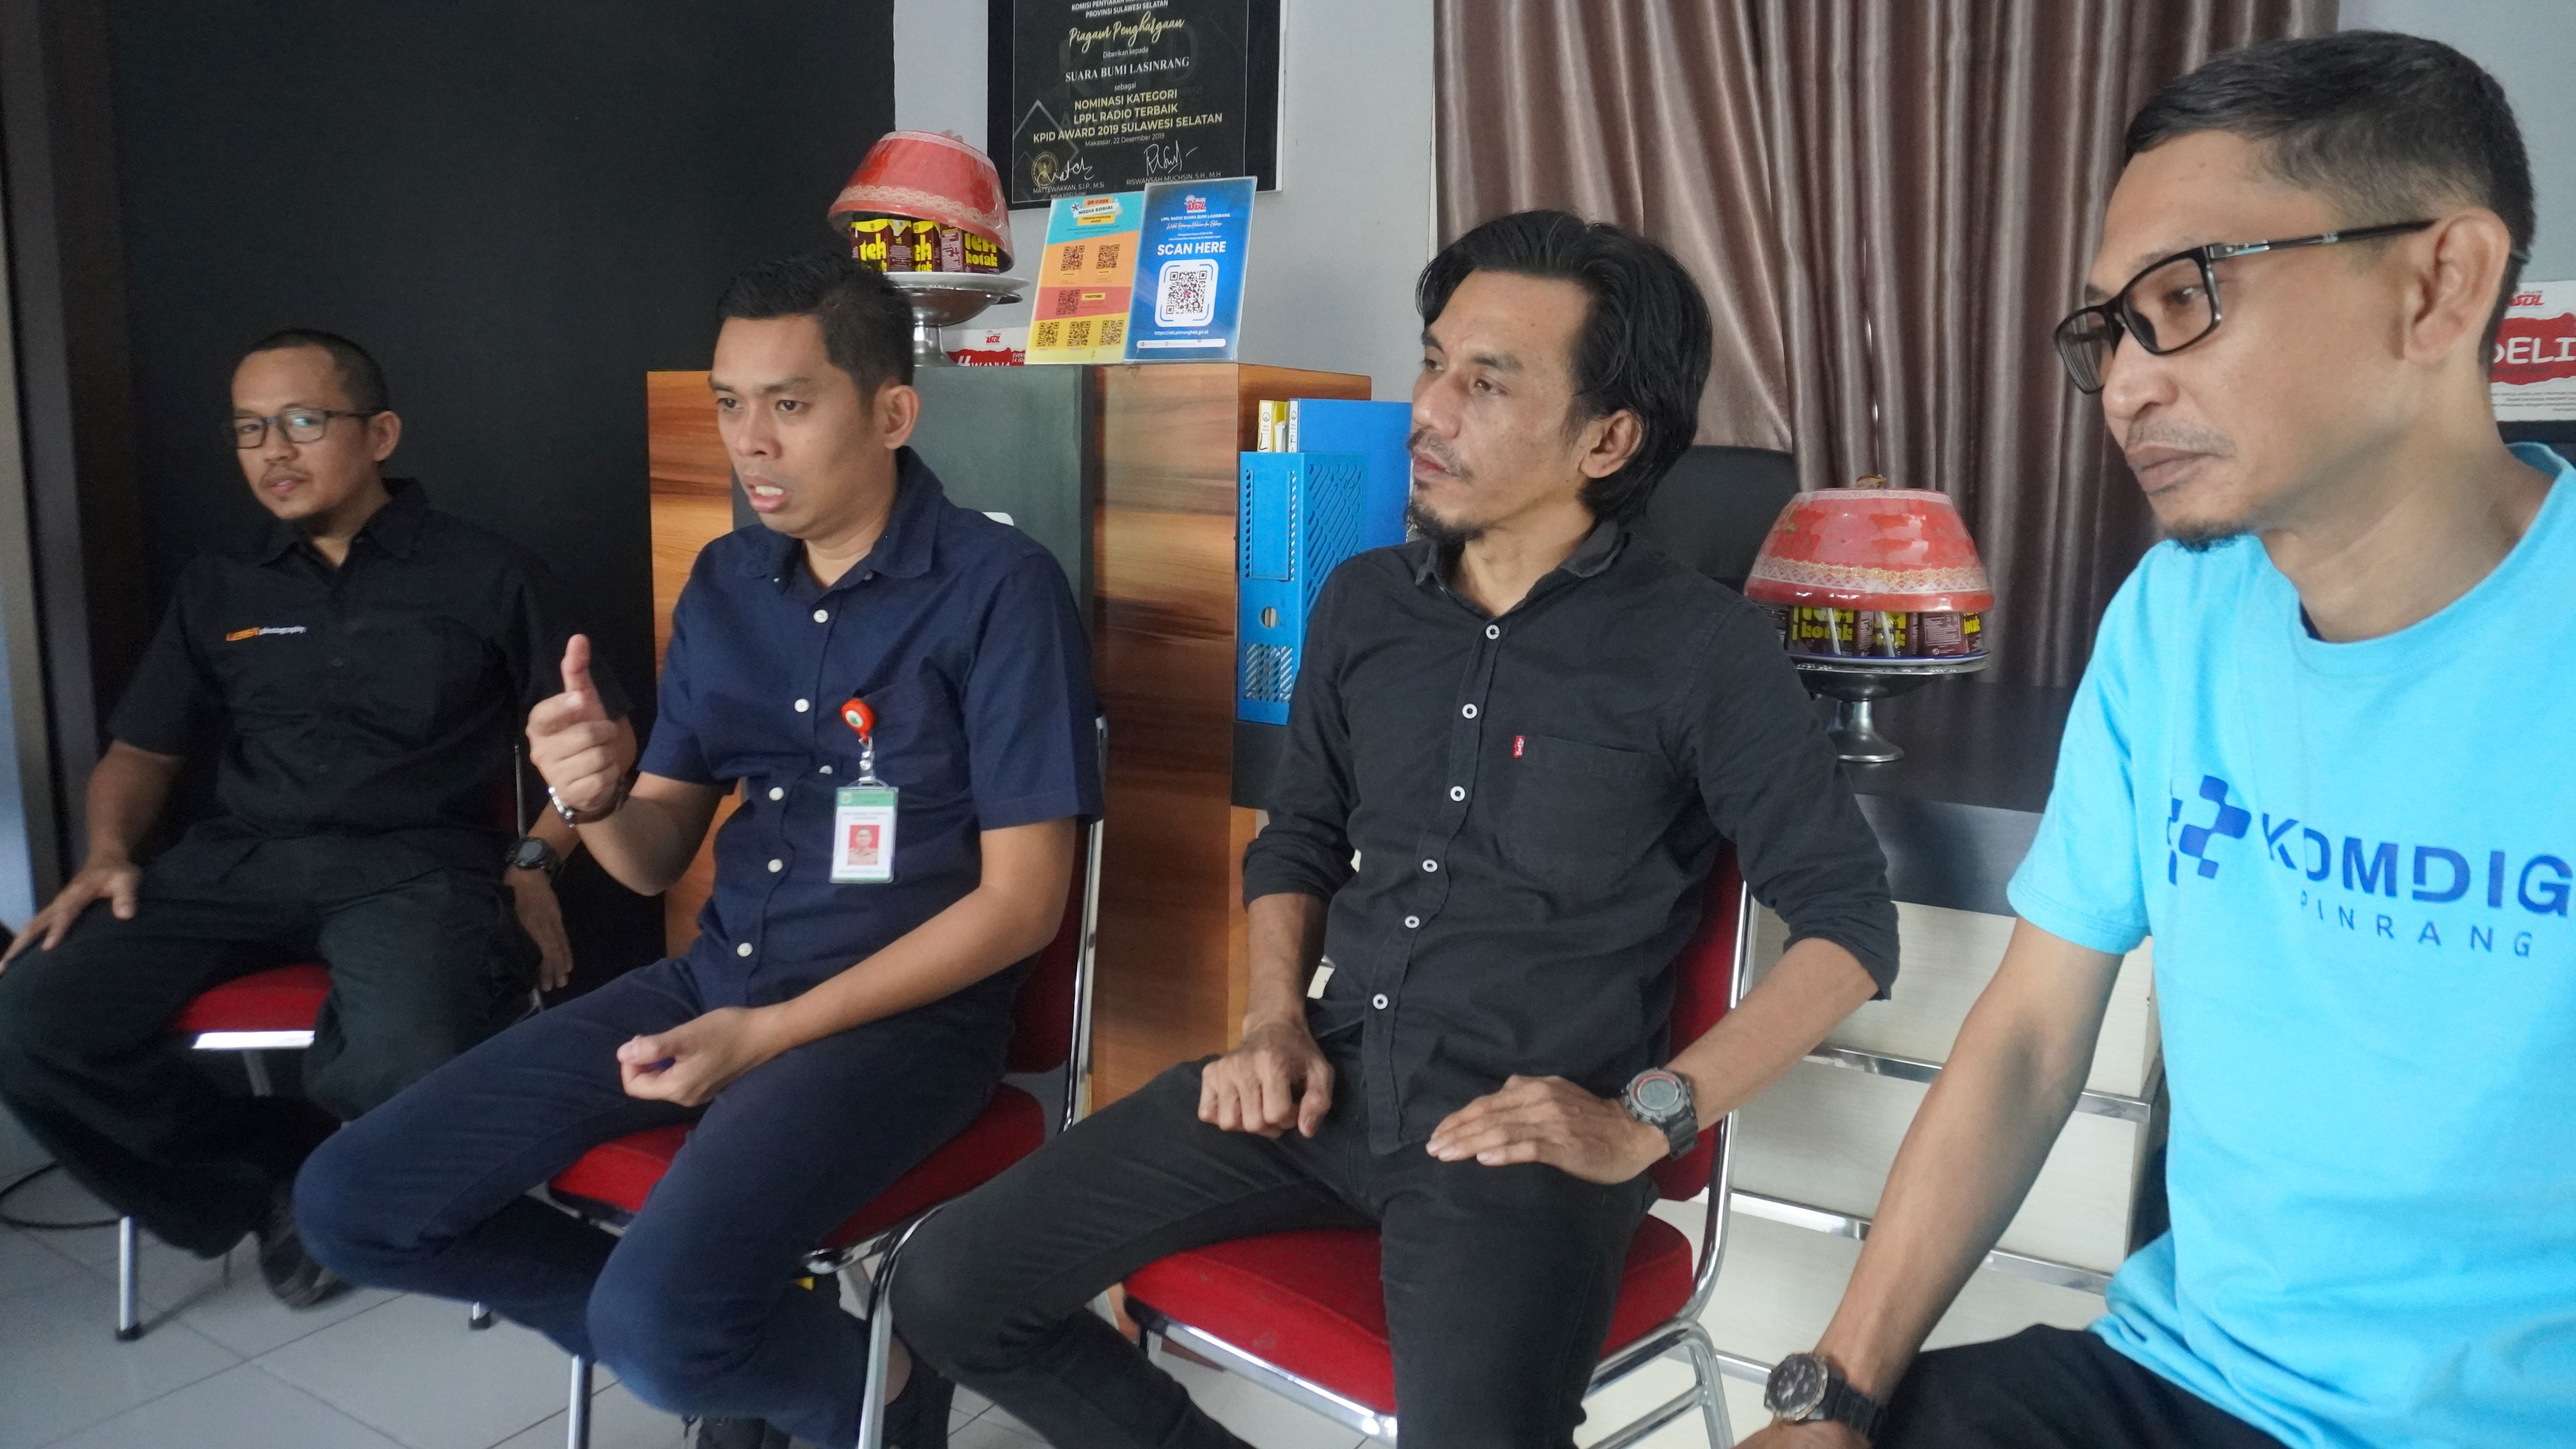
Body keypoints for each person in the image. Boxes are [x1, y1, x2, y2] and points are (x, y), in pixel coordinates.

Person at [893, 210, 1900, 1449]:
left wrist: (1647, 1117)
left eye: (1488, 383)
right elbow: (1299, 836)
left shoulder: (1705, 648)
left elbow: (1851, 928)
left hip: (1518, 1136)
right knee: (950, 1287)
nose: (1427, 409)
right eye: (1434, 362)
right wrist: (1271, 1020)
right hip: (1325, 1078)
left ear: (1607, 438)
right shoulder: (1363, 602)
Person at [1743, 32, 2573, 1449]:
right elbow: (2028, 1037)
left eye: (2187, 299)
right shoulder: (2177, 618)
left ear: (2441, 283)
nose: (2126, 384)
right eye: (2112, 327)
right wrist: (1840, 1393)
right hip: (2187, 1381)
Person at [295, 255, 1101, 1449]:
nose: (750, 441)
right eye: (730, 403)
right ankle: (801, 1360)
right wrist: (595, 793)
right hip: (714, 985)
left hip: (903, 1029)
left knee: (662, 1324)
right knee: (352, 1199)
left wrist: (769, 1036)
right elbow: (651, 856)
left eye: (790, 403)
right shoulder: (727, 582)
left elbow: (1025, 905)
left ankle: (809, 1377)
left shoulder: (999, 589)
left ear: (891, 412)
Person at [0, 329, 613, 1307]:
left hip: (417, 869)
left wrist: (537, 860)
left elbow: (599, 739)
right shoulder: (219, 583)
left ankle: (342, 1194)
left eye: (300, 421)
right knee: (28, 1015)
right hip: (239, 865)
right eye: (249, 430)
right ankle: (269, 1177)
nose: (273, 451)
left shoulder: (488, 571)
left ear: (380, 433)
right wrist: (106, 853)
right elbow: (143, 750)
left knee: (413, 1051)